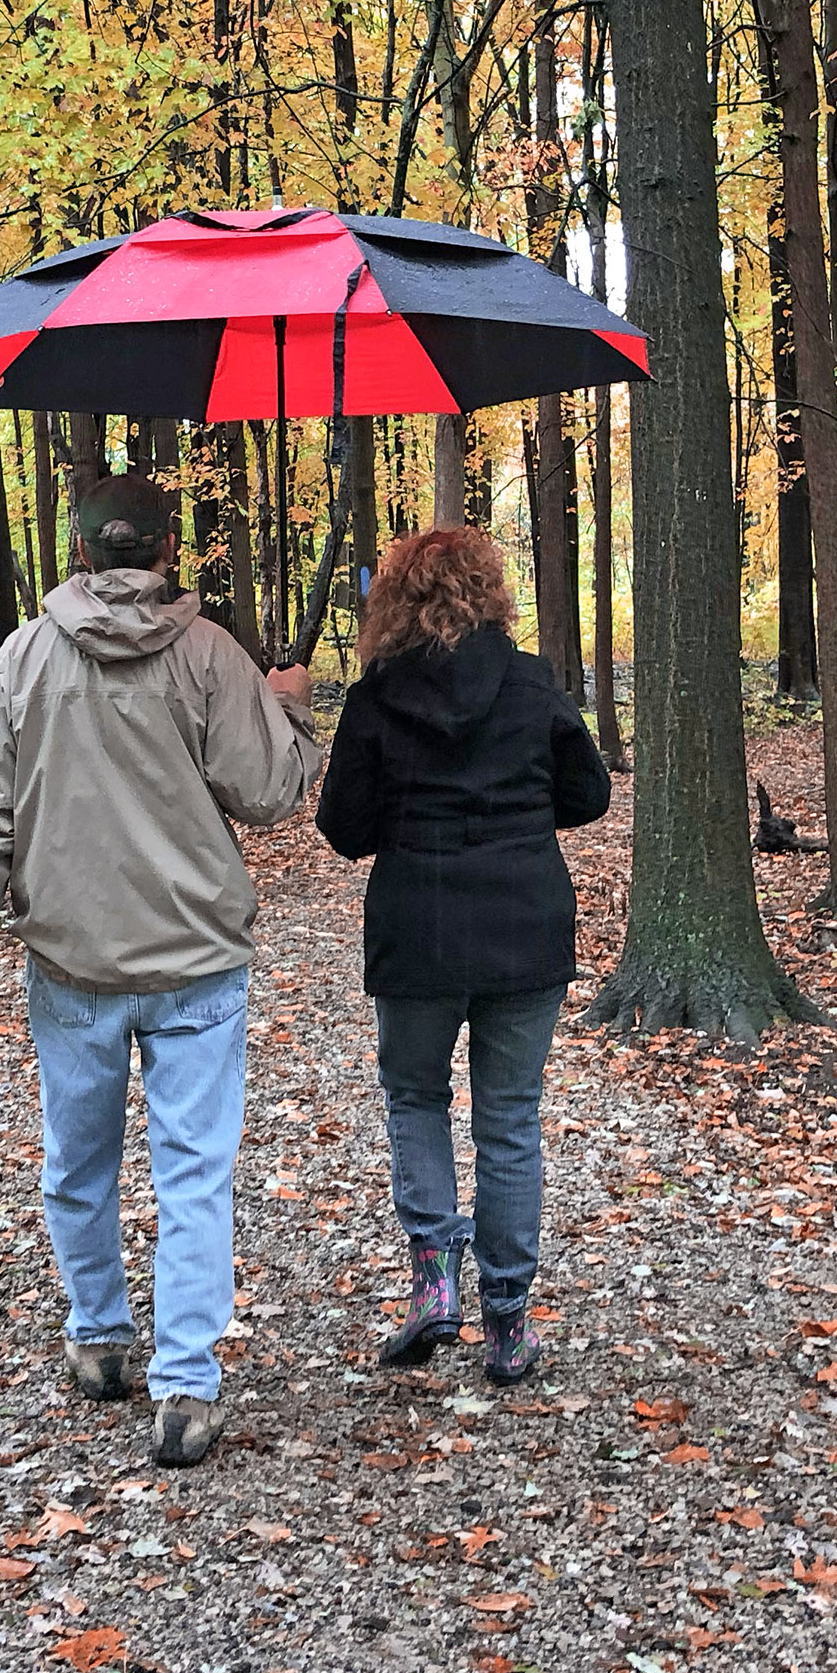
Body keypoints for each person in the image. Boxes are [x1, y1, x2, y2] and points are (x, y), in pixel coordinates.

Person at [0, 474, 319, 1467]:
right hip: (196, 959)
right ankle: (186, 1386)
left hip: (73, 959)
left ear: (78, 554)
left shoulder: (24, 657)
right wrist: (294, 716)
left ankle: (101, 1337)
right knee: (195, 1173)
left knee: (79, 1159)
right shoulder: (208, 655)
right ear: (166, 549)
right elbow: (273, 796)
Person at [315, 525, 611, 1385]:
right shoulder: (531, 684)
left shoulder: (376, 697)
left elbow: (343, 827)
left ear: (393, 602)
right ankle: (509, 1323)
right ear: (489, 591)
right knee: (510, 1118)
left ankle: (435, 1282)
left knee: (416, 1097)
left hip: (418, 930)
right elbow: (588, 795)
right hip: (524, 925)